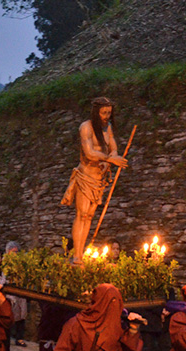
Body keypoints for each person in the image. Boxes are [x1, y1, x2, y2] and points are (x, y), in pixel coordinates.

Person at [61, 97, 128, 264]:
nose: (106, 116)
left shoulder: (108, 128)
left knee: (89, 216)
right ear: (96, 112)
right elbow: (89, 152)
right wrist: (109, 159)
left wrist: (109, 160)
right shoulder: (86, 127)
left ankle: (81, 253)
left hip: (99, 178)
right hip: (86, 176)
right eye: (103, 112)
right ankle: (77, 254)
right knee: (81, 214)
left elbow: (113, 148)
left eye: (109, 113)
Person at [5, 241, 28, 348]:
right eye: (12, 252)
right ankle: (8, 337)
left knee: (21, 316)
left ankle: (19, 337)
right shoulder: (5, 263)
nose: (15, 254)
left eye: (16, 252)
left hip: (20, 292)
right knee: (10, 315)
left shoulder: (21, 263)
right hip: (10, 293)